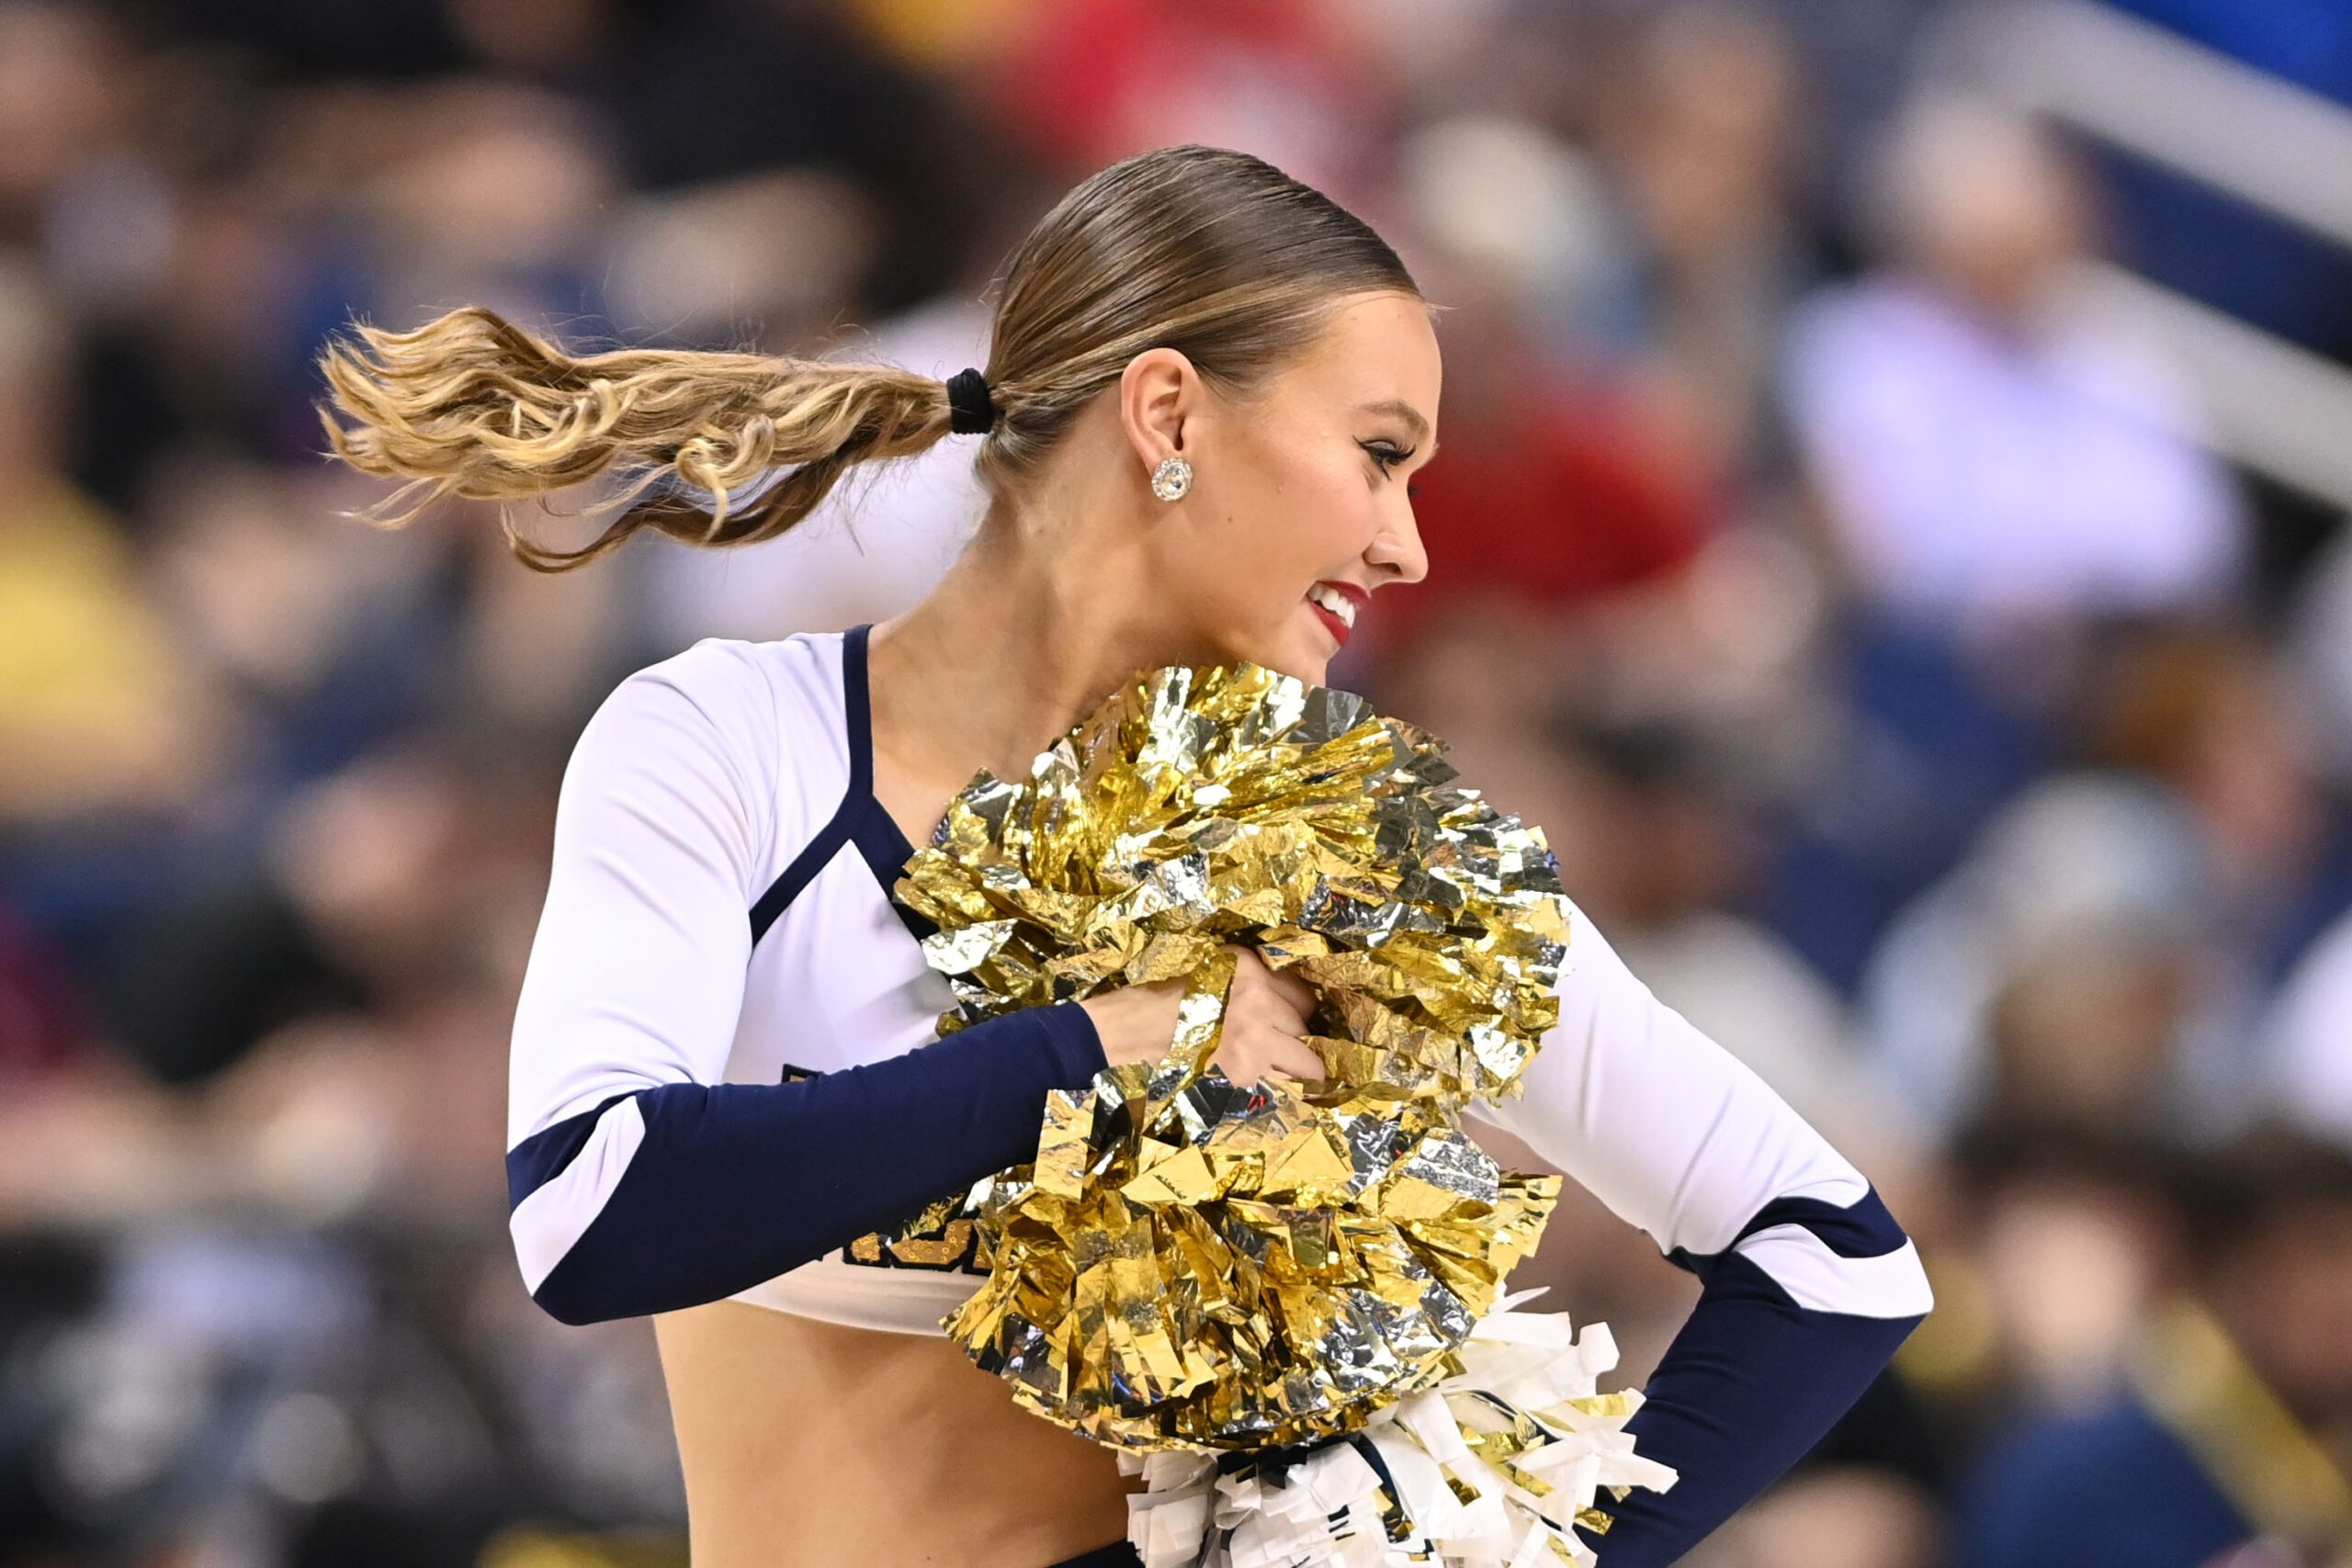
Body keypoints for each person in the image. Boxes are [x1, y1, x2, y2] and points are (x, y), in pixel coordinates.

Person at [318, 144, 1933, 1568]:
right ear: (1167, 412)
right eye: (1377, 453)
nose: (1407, 544)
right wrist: (1098, 1051)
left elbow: (1834, 1263)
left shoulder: (1364, 856)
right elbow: (592, 1213)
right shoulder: (739, 745)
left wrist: (1544, 1552)